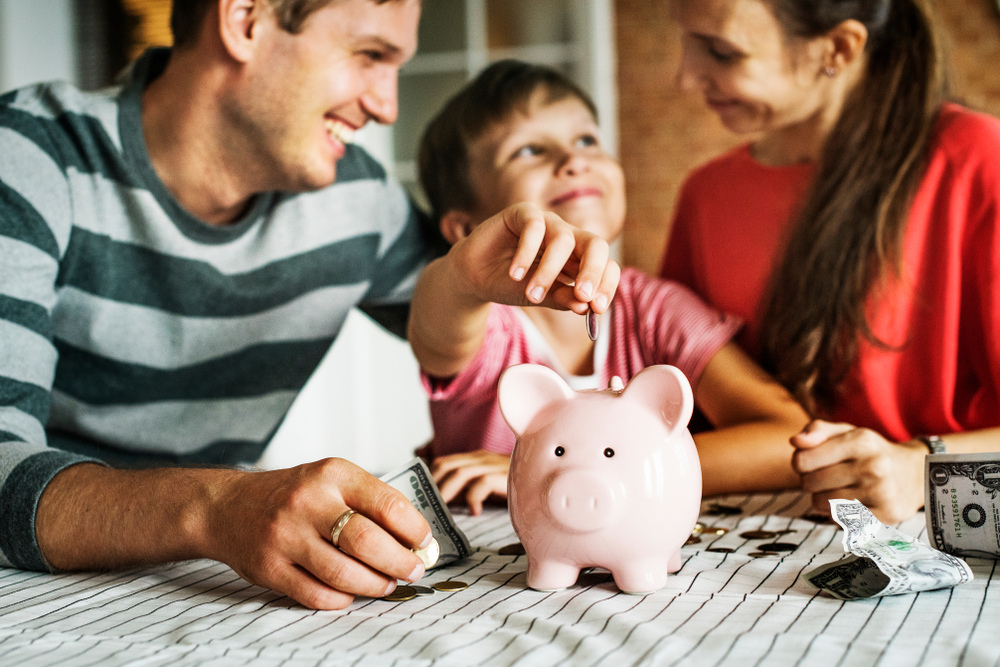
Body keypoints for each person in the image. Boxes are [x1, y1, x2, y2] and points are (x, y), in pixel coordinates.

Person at [0, 0, 618, 610]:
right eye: (369, 55)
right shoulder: (27, 155)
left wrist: (464, 280)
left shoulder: (359, 201)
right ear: (245, 20)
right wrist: (218, 508)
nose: (386, 106)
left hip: (190, 592)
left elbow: (457, 347)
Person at [407, 60, 810, 515]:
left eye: (586, 140)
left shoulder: (656, 310)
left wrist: (570, 471)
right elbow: (435, 329)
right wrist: (463, 276)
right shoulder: (485, 322)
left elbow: (787, 436)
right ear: (465, 229)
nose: (574, 160)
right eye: (528, 151)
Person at [660, 0, 1000, 523]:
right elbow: (678, 403)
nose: (684, 78)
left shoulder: (980, 160)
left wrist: (921, 465)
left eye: (722, 52)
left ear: (838, 48)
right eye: (686, 41)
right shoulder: (706, 195)